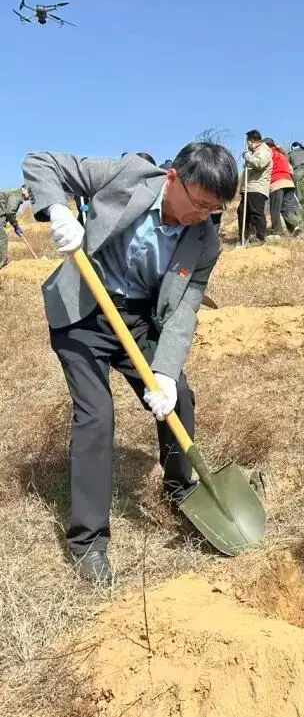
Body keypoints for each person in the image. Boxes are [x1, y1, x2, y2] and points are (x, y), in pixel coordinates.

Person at [22, 142, 238, 584]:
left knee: (178, 397)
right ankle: (88, 542)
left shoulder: (205, 242)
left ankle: (181, 488)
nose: (202, 215)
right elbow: (40, 161)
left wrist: (164, 372)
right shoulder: (129, 175)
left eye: (213, 209)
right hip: (82, 309)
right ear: (173, 177)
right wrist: (57, 212)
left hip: (139, 320)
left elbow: (184, 309)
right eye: (198, 203)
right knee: (97, 416)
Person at [238, 130, 271, 243]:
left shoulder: (264, 150)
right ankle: (244, 237)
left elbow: (260, 163)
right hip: (248, 188)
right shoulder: (254, 152)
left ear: (251, 141)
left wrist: (247, 156)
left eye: (247, 142)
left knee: (256, 213)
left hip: (257, 188)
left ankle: (260, 238)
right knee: (242, 212)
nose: (247, 145)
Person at [265, 139, 302, 236]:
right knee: (287, 208)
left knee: (275, 209)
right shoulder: (282, 155)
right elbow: (291, 169)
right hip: (289, 182)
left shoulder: (268, 153)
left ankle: (277, 232)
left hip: (277, 182)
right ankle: (294, 227)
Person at [0, 185, 31, 269]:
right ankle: (2, 264)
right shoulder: (16, 195)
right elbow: (10, 212)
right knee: (2, 237)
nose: (30, 198)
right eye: (30, 195)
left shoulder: (13, 193)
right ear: (25, 191)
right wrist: (15, 226)